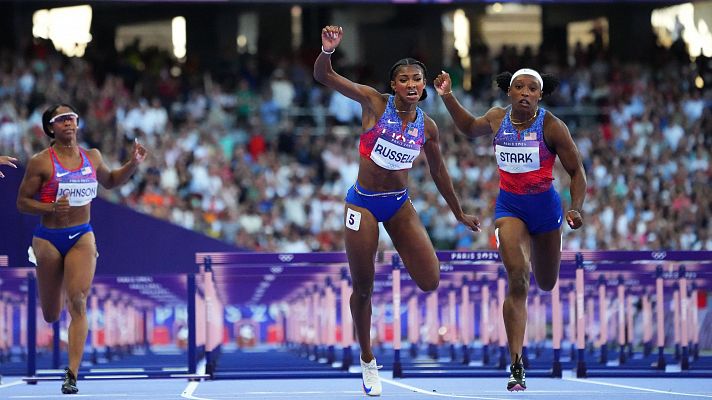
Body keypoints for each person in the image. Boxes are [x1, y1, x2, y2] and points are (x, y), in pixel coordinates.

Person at [314, 26, 481, 396]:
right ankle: (367, 359)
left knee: (431, 280)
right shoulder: (374, 103)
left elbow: (438, 171)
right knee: (363, 286)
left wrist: (457, 213)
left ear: (423, 87)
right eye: (403, 78)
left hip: (398, 204)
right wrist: (327, 51)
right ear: (393, 84)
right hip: (363, 203)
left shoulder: (429, 126)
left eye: (417, 79)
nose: (410, 84)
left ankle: (392, 264)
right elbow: (323, 76)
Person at [434, 68, 586, 391]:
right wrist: (448, 96)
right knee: (518, 278)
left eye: (533, 88)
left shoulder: (552, 126)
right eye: (520, 87)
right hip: (510, 209)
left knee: (545, 283)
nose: (526, 93)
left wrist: (576, 207)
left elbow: (577, 171)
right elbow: (467, 127)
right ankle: (516, 364)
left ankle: (550, 247)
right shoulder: (496, 118)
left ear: (540, 95)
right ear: (510, 92)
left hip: (547, 213)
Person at [16, 104, 147, 394]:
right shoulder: (41, 162)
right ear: (51, 128)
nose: (69, 123)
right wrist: (50, 207)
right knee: (51, 314)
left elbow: (111, 181)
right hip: (48, 238)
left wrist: (132, 164)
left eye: (72, 118)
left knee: (78, 301)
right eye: (61, 120)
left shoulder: (92, 156)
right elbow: (22, 202)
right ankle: (56, 278)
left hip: (81, 236)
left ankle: (71, 374)